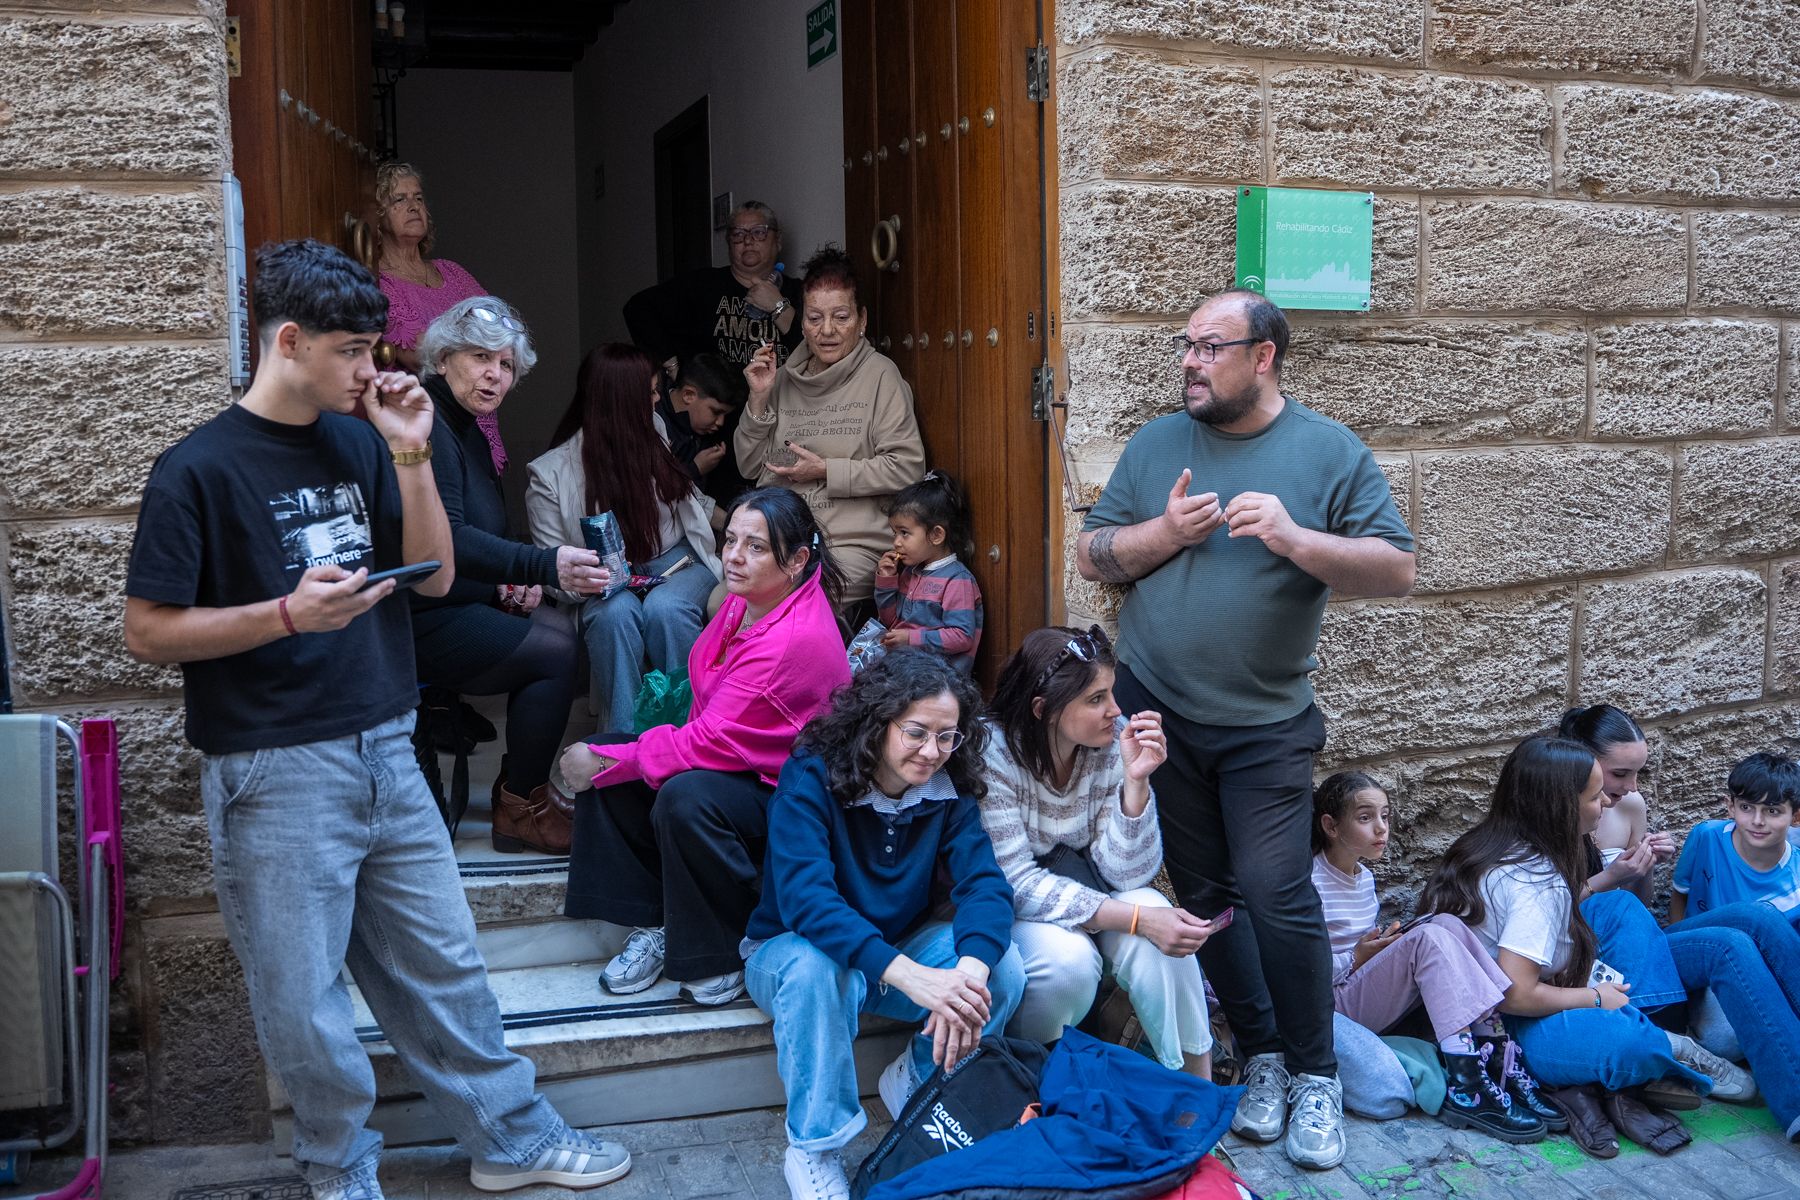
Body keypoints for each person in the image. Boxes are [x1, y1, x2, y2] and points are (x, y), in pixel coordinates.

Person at [122, 239, 628, 1197]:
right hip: (273, 768)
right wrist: (283, 615)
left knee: (445, 969)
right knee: (305, 1002)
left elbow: (435, 573)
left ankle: (510, 1141)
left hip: (387, 744)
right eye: (354, 351)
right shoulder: (196, 468)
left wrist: (409, 453)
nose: (372, 369)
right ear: (288, 341)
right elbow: (147, 631)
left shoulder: (361, 439)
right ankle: (339, 1167)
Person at [1075, 289, 1415, 1170]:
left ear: (1263, 357)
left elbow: (1396, 569)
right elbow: (1095, 551)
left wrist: (1299, 541)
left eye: (1209, 347)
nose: (1189, 360)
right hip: (1158, 711)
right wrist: (1164, 532)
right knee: (1207, 898)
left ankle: (1316, 1075)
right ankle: (1261, 1056)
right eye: (1185, 343)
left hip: (1267, 723)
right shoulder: (1158, 444)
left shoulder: (1328, 451)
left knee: (1276, 890)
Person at [742, 650, 1026, 1200]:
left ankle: (919, 1078)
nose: (933, 752)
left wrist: (967, 970)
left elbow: (987, 886)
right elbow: (807, 902)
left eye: (949, 737)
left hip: (890, 953)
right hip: (790, 951)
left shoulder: (948, 790)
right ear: (878, 720)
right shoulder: (811, 775)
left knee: (1002, 967)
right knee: (816, 966)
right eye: (917, 732)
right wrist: (910, 975)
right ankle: (814, 1147)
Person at [555, 488, 850, 1007]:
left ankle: (715, 954)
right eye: (730, 539)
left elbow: (710, 739)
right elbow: (709, 715)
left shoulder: (793, 638)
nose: (733, 556)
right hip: (744, 767)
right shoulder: (745, 602)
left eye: (756, 547)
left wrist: (610, 762)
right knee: (617, 752)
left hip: (793, 803)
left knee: (678, 792)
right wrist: (619, 757)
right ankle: (660, 919)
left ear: (798, 560)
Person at [1417, 737, 1800, 1132]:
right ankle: (1673, 1048)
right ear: (1563, 805)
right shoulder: (1532, 886)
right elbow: (1515, 994)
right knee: (1632, 1045)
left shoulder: (1504, 842)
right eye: (1597, 794)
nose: (1607, 803)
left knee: (1743, 920)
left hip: (1562, 969)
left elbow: (1564, 907)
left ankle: (1658, 1035)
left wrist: (1618, 878)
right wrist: (1595, 997)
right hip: (1506, 1026)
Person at [979, 625, 1215, 1077]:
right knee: (1068, 963)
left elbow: (1129, 876)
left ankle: (1194, 1087)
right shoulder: (994, 751)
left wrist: (1136, 783)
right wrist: (1134, 920)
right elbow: (1014, 885)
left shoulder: (1112, 743)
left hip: (1092, 891)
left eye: (1111, 692)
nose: (1115, 710)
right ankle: (1034, 1078)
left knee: (1157, 911)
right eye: (1096, 699)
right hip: (1020, 912)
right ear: (1042, 709)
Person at [411, 297, 602, 855]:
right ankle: (521, 807)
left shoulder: (466, 425)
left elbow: (474, 534)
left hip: (455, 598)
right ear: (443, 359)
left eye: (506, 364)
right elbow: (445, 539)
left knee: (558, 631)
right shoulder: (429, 423)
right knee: (555, 652)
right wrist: (541, 565)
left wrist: (503, 582)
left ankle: (523, 797)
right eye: (480, 358)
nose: (495, 374)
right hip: (415, 617)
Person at [1309, 772, 1548, 1143]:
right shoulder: (1309, 882)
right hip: (1330, 1006)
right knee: (1428, 940)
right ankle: (1468, 1085)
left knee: (1446, 922)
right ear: (1330, 825)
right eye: (1365, 817)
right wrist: (1356, 958)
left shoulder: (1363, 879)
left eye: (1385, 816)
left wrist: (1379, 949)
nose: (1381, 829)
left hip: (1356, 989)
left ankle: (1496, 1054)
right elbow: (1299, 970)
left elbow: (1358, 950)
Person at [527, 345, 723, 734]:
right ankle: (623, 744)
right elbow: (552, 570)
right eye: (649, 393)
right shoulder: (549, 476)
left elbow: (688, 502)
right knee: (615, 616)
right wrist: (595, 579)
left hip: (676, 561)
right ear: (620, 401)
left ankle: (689, 733)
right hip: (602, 583)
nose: (657, 401)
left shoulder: (656, 432)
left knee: (666, 610)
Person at [736, 244, 926, 607]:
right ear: (802, 321)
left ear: (862, 320)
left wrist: (825, 470)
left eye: (841, 317)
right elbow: (749, 465)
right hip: (785, 541)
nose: (827, 331)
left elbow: (908, 468)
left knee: (792, 602)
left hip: (852, 545)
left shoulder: (880, 376)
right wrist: (759, 398)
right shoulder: (784, 378)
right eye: (814, 318)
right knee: (721, 602)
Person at [626, 202, 806, 505]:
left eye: (758, 232)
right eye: (738, 234)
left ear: (778, 241)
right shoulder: (704, 286)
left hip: (782, 421)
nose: (748, 240)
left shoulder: (798, 292)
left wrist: (778, 305)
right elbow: (637, 308)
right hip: (717, 427)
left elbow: (818, 344)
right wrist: (669, 359)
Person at [372, 163, 506, 470]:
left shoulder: (452, 272)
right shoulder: (380, 281)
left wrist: (466, 344)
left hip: (479, 413)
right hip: (430, 422)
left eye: (418, 198)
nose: (413, 206)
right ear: (378, 217)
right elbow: (419, 353)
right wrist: (475, 342)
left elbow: (499, 329)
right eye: (399, 199)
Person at [1558, 704, 1676, 905]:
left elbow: (1640, 903)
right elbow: (1545, 908)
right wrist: (1610, 877)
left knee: (1746, 918)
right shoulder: (1551, 812)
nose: (1632, 786)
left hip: (1627, 927)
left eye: (1638, 772)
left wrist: (1647, 863)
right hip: (1573, 933)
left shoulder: (1632, 804)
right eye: (1620, 774)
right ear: (1585, 760)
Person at [874, 470, 984, 675]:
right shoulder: (910, 572)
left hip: (939, 678)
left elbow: (962, 636)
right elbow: (892, 621)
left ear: (936, 535)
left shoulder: (957, 580)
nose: (896, 542)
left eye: (904, 533)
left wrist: (911, 640)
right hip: (906, 667)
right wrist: (886, 581)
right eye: (895, 533)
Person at [1669, 752, 1800, 924]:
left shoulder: (1796, 877)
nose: (1757, 821)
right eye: (1746, 807)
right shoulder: (1707, 836)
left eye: (1772, 811)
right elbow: (1680, 894)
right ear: (1731, 807)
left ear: (1796, 817)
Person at [657, 352, 746, 485]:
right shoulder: (653, 424)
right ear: (688, 395)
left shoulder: (702, 429)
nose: (721, 422)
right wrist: (695, 469)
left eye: (725, 415)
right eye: (716, 412)